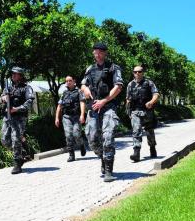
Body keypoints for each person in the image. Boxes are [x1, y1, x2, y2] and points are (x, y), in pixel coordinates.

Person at [81, 42, 123, 182]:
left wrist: (104, 101)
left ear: (105, 53)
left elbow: (118, 87)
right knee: (91, 138)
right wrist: (85, 89)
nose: (97, 54)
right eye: (95, 52)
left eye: (100, 52)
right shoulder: (90, 68)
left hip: (108, 106)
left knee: (108, 136)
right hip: (93, 107)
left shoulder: (113, 68)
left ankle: (108, 170)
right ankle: (103, 158)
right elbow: (83, 84)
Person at [0, 66, 34, 174]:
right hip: (8, 117)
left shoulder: (26, 88)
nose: (13, 75)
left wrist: (17, 109)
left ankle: (17, 163)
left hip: (19, 118)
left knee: (15, 139)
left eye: (16, 73)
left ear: (20, 75)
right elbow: (0, 98)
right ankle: (23, 151)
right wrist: (3, 98)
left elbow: (29, 102)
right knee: (5, 140)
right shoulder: (8, 88)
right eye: (12, 73)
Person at [126, 65, 160, 162]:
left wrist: (151, 102)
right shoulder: (130, 85)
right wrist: (128, 111)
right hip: (135, 112)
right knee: (136, 130)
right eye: (135, 72)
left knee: (149, 131)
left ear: (143, 72)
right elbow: (128, 99)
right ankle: (136, 153)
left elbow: (156, 94)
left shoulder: (149, 83)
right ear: (133, 73)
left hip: (147, 112)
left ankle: (152, 148)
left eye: (139, 71)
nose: (137, 73)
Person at [55, 76, 86, 162]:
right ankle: (71, 155)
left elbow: (82, 103)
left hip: (76, 116)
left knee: (76, 134)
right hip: (66, 117)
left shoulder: (79, 91)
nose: (68, 82)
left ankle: (81, 145)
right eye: (67, 81)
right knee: (68, 135)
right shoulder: (64, 93)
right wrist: (57, 118)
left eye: (70, 80)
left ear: (74, 81)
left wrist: (82, 115)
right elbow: (59, 106)